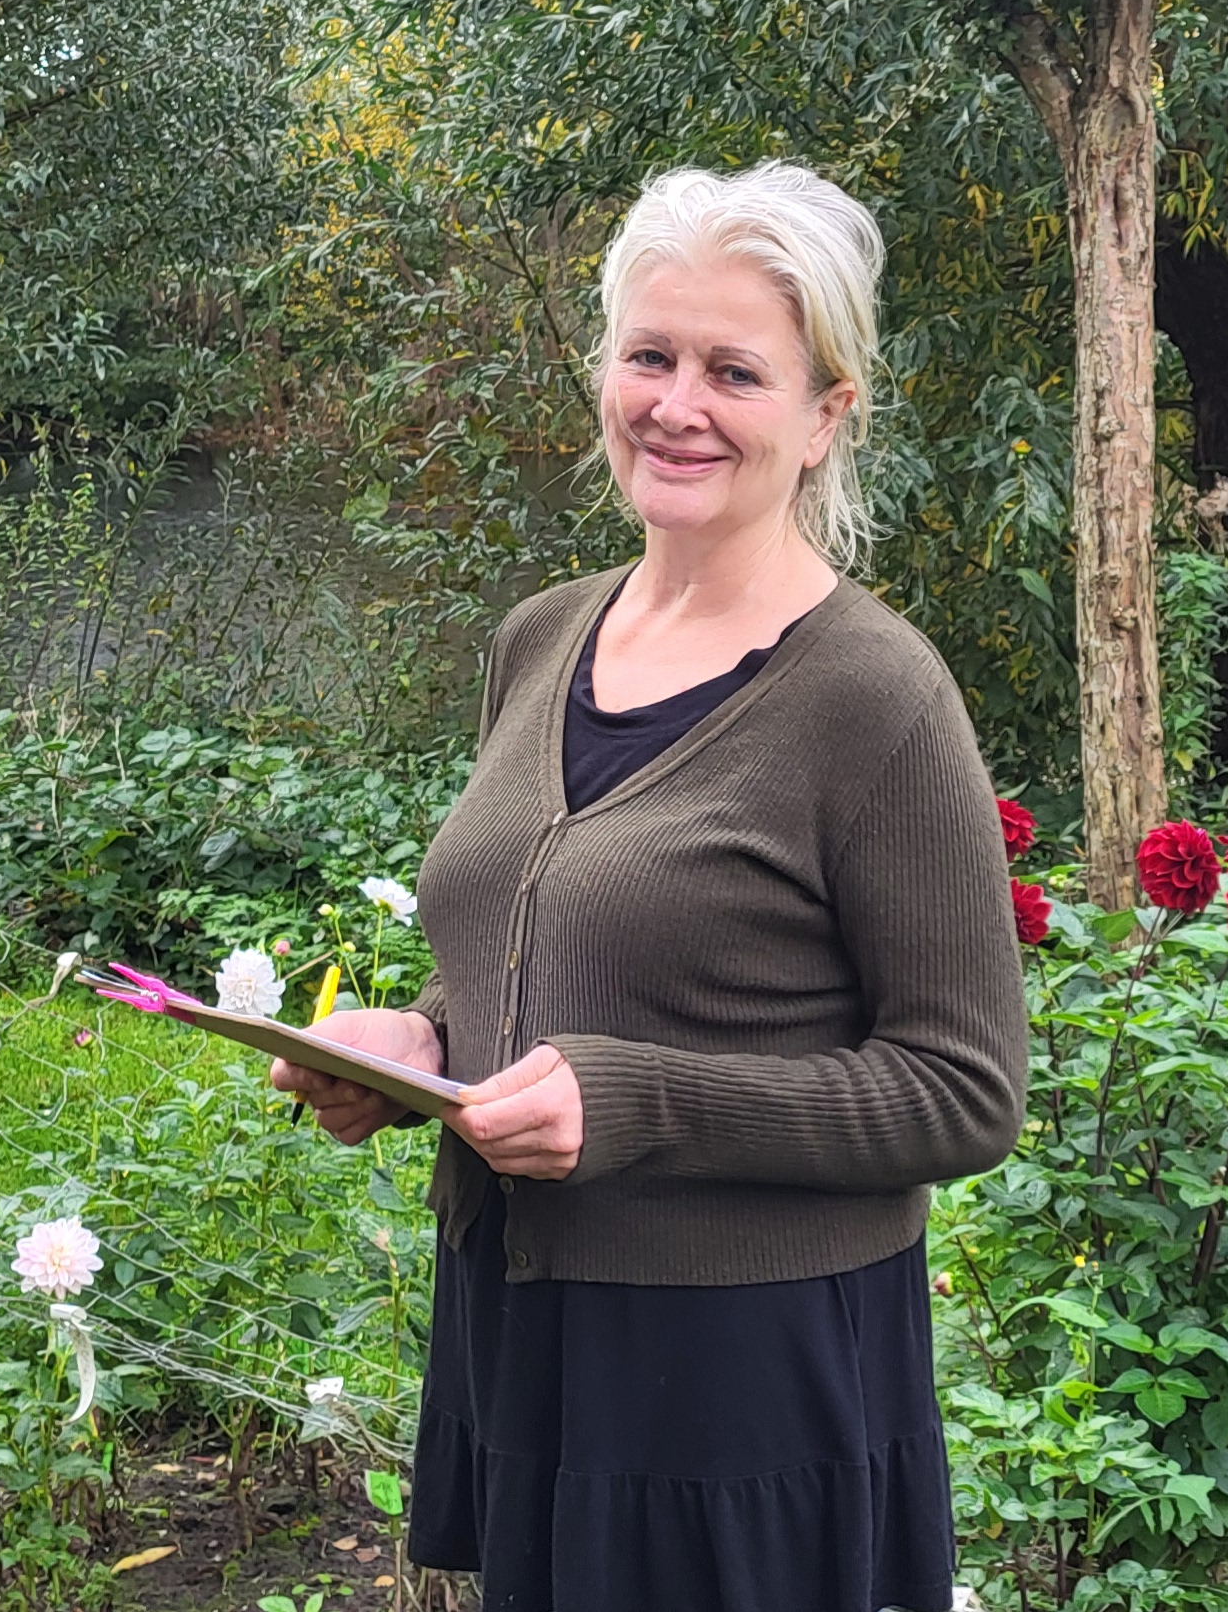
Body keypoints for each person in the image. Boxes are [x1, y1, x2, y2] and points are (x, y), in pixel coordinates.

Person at [269, 161, 1026, 1612]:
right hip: (530, 1320)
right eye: (649, 355)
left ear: (825, 416)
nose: (677, 404)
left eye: (736, 370)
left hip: (739, 1371)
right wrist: (418, 1041)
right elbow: (535, 937)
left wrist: (640, 1103)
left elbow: (963, 1090)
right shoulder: (544, 638)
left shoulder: (877, 698)